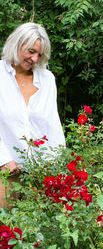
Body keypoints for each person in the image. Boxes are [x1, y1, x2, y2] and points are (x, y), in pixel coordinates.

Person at [0, 22, 65, 208]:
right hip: (6, 173)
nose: (35, 59)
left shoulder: (47, 80)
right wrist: (3, 160)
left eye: (40, 54)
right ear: (16, 44)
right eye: (31, 51)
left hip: (40, 174)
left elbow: (53, 126)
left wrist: (57, 167)